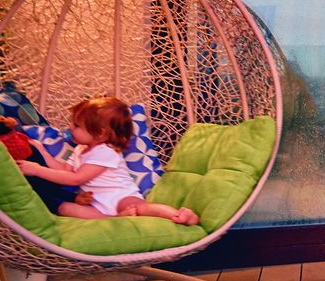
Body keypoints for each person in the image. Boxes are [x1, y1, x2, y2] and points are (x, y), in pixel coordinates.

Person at [19, 96, 199, 226]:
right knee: (65, 208)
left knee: (141, 208)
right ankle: (114, 220)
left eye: (76, 126)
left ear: (101, 133)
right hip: (97, 205)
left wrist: (37, 170)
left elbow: (76, 179)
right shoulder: (80, 149)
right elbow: (64, 171)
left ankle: (178, 215)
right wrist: (41, 151)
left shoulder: (106, 151)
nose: (70, 128)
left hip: (120, 196)